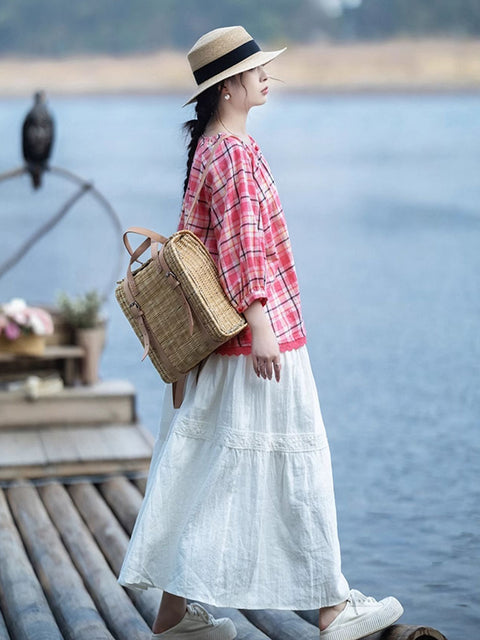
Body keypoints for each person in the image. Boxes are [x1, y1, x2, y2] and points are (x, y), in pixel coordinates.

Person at [118, 26, 404, 640]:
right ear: (229, 87)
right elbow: (247, 251)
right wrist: (264, 325)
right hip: (257, 340)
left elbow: (205, 247)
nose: (266, 76)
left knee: (211, 470)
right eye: (256, 70)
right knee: (298, 472)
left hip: (218, 345)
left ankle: (173, 619)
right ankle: (331, 610)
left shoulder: (210, 150)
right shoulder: (236, 154)